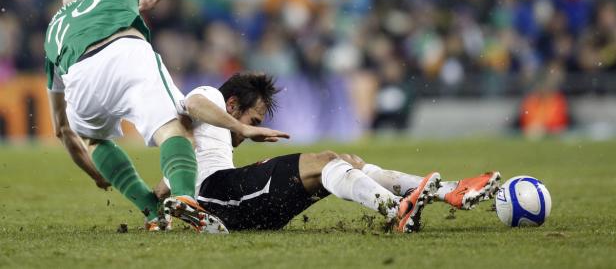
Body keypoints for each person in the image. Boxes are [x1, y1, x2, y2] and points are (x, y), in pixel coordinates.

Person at [45, 0, 288, 233]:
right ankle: (185, 198)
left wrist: (96, 173)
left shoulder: (53, 35)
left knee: (95, 140)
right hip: (124, 54)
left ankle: (152, 211)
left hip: (79, 77)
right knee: (176, 128)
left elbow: (61, 127)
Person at [155, 72, 500, 233]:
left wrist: (156, 205)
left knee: (344, 161)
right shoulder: (211, 97)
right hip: (221, 195)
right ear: (232, 104)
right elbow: (193, 102)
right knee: (324, 162)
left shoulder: (193, 148)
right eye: (253, 118)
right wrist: (242, 127)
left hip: (235, 204)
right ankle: (398, 211)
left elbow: (170, 182)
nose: (250, 130)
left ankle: (446, 190)